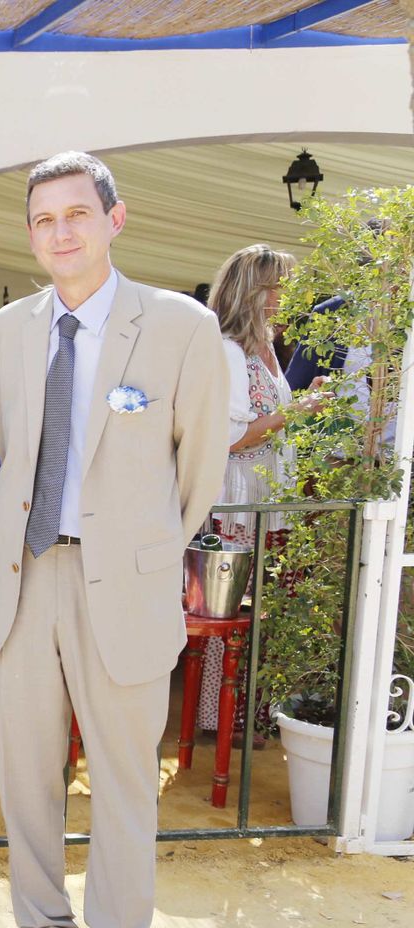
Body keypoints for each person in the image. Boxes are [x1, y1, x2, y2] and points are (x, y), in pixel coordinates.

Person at [0, 152, 228, 928]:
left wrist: (146, 548)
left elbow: (198, 470)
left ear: (114, 220)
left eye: (76, 215)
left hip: (122, 582)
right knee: (27, 776)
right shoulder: (6, 330)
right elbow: (11, 449)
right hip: (25, 577)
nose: (60, 233)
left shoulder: (181, 326)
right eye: (43, 220)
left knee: (124, 777)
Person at [199, 245, 323, 733]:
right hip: (238, 505)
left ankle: (252, 712)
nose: (288, 295)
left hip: (267, 503)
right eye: (280, 286)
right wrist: (299, 410)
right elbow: (230, 439)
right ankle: (220, 717)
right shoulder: (228, 350)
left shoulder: (267, 348)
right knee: (231, 612)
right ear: (257, 292)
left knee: (263, 613)